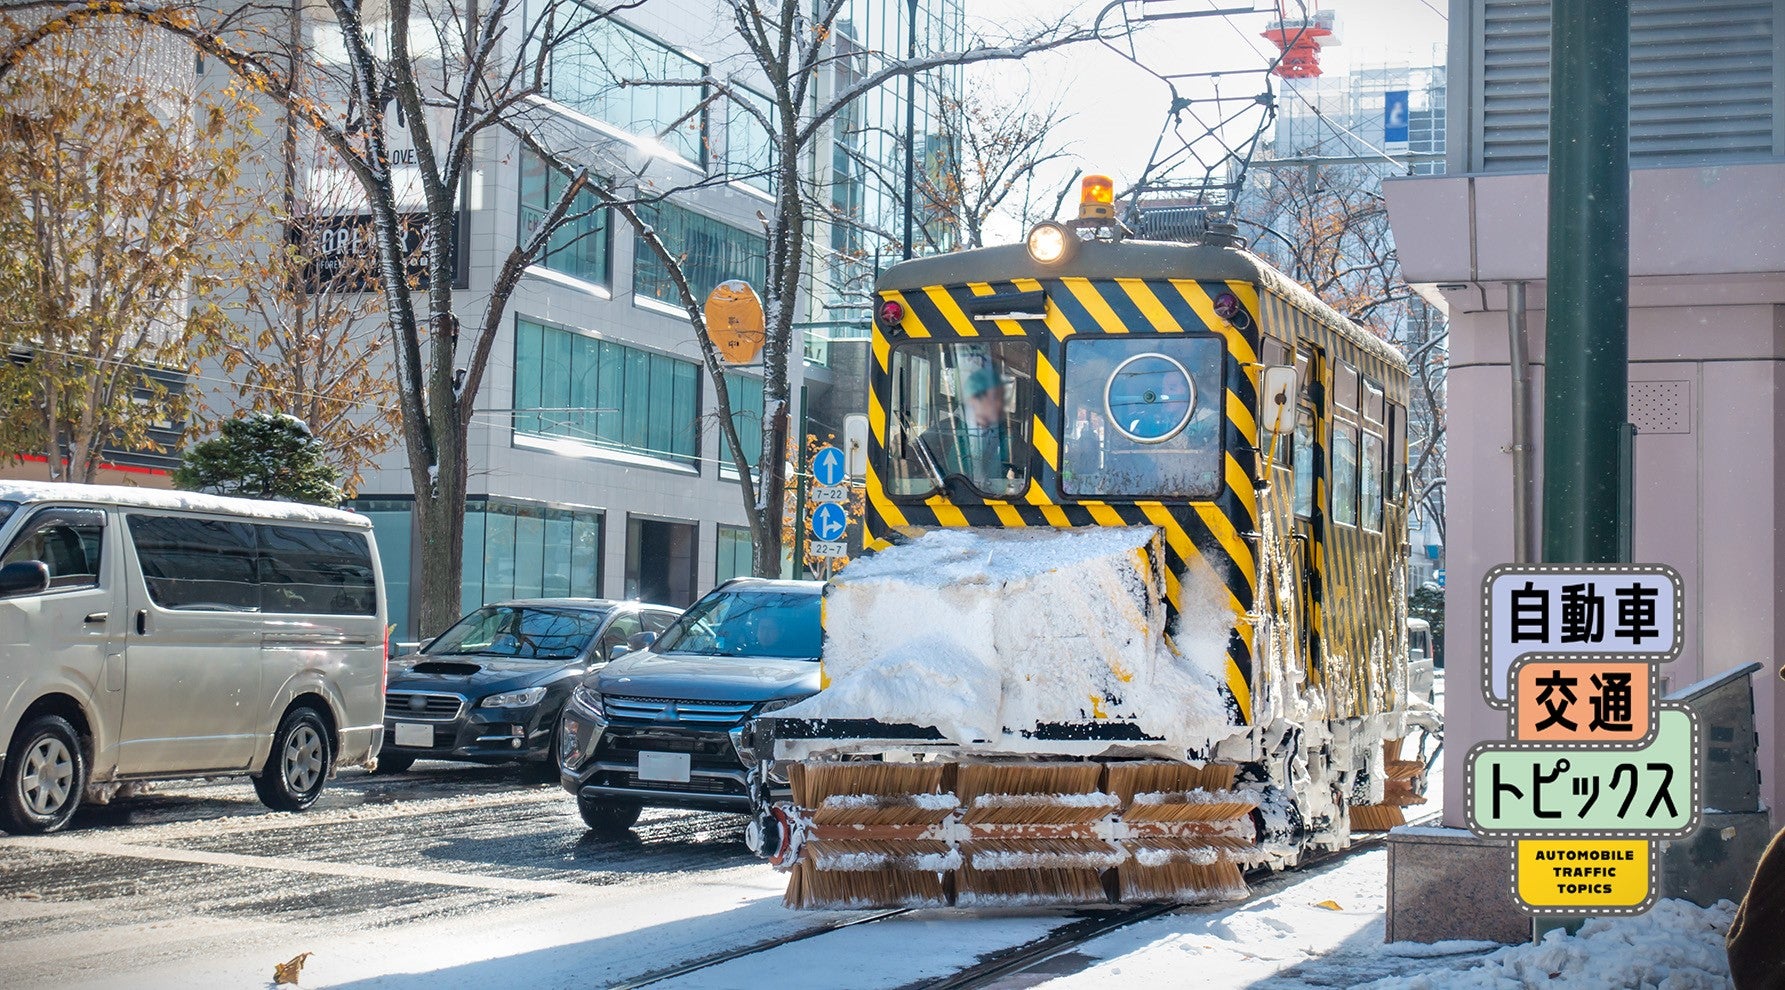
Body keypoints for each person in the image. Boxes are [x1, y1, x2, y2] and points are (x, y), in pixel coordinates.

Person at [917, 365, 1019, 494]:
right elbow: (916, 460)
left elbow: (1024, 464)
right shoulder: (944, 430)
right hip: (949, 500)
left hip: (998, 503)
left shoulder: (1006, 433)